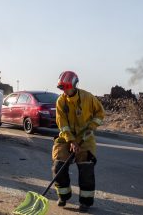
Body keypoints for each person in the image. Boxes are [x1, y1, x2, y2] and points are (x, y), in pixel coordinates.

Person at [52, 71, 105, 212]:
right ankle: (63, 196)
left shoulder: (88, 97)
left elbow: (100, 113)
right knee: (58, 167)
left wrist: (92, 127)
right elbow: (62, 124)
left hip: (85, 138)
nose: (65, 90)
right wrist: (71, 141)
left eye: (67, 87)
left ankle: (85, 202)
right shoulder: (60, 101)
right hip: (66, 138)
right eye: (62, 88)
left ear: (74, 85)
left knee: (86, 170)